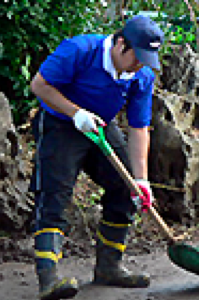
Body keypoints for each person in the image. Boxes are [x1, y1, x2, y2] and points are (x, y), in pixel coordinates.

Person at [28, 15, 164, 300]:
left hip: (101, 125)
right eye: (137, 57)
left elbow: (139, 128)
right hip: (60, 123)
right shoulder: (78, 51)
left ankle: (109, 267)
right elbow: (39, 85)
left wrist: (141, 180)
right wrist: (75, 113)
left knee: (126, 190)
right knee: (55, 194)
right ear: (120, 43)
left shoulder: (142, 76)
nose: (140, 64)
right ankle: (49, 279)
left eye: (146, 59)